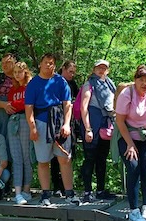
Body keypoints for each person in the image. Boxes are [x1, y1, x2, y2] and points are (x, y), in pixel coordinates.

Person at [25, 53, 80, 206]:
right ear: (40, 64)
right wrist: (32, 128)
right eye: (46, 62)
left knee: (64, 158)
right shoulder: (33, 84)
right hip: (41, 122)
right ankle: (45, 194)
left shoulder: (60, 81)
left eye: (51, 63)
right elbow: (28, 109)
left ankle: (69, 193)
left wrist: (67, 124)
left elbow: (67, 104)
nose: (49, 65)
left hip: (59, 122)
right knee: (43, 161)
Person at [115, 65, 146, 221]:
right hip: (127, 136)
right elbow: (120, 121)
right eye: (141, 80)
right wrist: (129, 144)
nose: (144, 84)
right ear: (135, 80)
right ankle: (134, 209)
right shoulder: (126, 94)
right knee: (134, 166)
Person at [79, 60, 117, 203]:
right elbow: (84, 108)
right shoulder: (89, 84)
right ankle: (87, 191)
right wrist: (88, 128)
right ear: (94, 69)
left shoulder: (109, 85)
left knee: (102, 158)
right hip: (92, 123)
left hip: (105, 124)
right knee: (90, 158)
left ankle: (100, 190)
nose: (102, 70)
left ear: (108, 70)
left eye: (104, 68)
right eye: (99, 68)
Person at [7, 62, 34, 204]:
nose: (17, 74)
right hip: (13, 121)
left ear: (25, 72)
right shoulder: (13, 89)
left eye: (19, 72)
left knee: (26, 157)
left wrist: (15, 105)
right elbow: (10, 104)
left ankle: (26, 190)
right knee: (16, 157)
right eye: (15, 72)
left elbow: (28, 103)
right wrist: (14, 105)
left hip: (25, 120)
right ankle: (17, 193)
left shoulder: (30, 86)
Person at [52, 60, 79, 196]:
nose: (72, 75)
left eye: (74, 72)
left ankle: (66, 186)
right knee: (56, 155)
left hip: (70, 123)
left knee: (68, 155)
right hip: (56, 122)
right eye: (70, 71)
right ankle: (56, 186)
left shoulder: (73, 84)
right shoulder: (55, 81)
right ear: (63, 69)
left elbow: (77, 101)